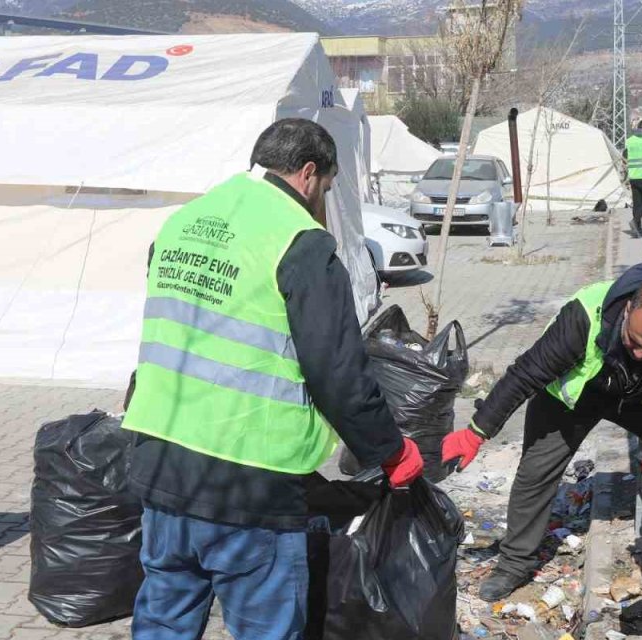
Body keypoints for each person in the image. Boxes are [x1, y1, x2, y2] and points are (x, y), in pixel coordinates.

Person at [123, 118, 424, 640]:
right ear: (308, 175)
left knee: (163, 625)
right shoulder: (301, 243)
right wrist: (390, 451)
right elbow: (338, 372)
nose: (324, 201)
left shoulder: (184, 221)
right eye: (327, 188)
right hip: (249, 484)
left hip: (162, 466)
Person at [441, 263, 642, 602]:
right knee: (536, 472)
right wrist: (476, 431)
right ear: (627, 309)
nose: (641, 352)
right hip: (577, 396)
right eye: (634, 340)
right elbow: (527, 373)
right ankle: (515, 564)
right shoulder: (586, 314)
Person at [623, 119, 642, 238]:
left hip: (633, 176)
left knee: (637, 204)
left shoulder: (629, 140)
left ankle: (638, 230)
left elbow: (625, 156)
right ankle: (635, 221)